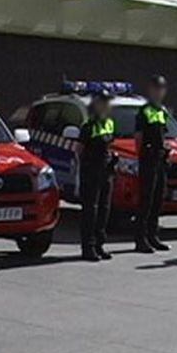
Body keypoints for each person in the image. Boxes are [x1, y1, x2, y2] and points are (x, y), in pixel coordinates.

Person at [77, 89, 117, 262]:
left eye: (108, 102)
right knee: (90, 211)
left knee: (104, 209)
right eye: (104, 102)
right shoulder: (88, 126)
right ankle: (88, 248)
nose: (107, 105)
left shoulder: (109, 123)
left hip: (106, 172)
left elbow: (110, 145)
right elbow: (79, 150)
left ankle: (100, 245)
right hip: (91, 172)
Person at [134, 75, 172, 253]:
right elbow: (139, 138)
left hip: (160, 159)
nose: (159, 92)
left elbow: (164, 135)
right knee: (146, 200)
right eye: (156, 88)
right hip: (148, 159)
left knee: (158, 199)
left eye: (162, 89)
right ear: (150, 90)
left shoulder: (162, 111)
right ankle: (140, 239)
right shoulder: (145, 111)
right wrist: (142, 157)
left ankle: (153, 236)